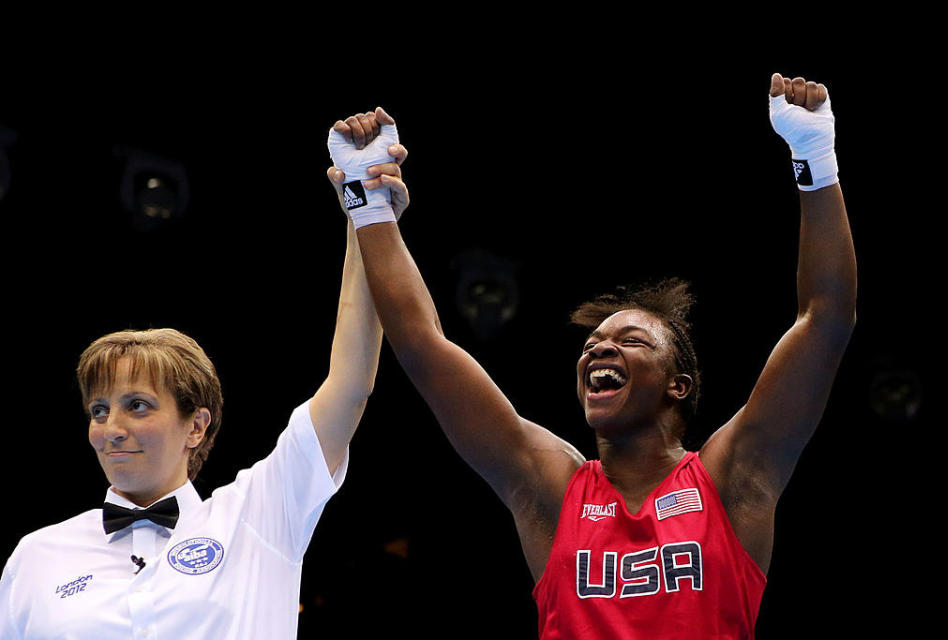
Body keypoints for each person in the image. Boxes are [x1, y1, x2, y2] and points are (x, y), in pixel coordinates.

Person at [325, 72, 856, 638]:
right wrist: (368, 202)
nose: (601, 347)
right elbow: (425, 347)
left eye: (631, 340)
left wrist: (813, 158)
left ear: (678, 384)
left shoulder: (732, 479)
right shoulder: (551, 489)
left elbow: (825, 318)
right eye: (592, 345)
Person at [0, 216, 385, 639]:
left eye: (138, 406)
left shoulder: (258, 515)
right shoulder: (36, 558)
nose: (111, 428)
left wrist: (364, 209)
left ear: (196, 426)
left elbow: (350, 384)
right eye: (99, 410)